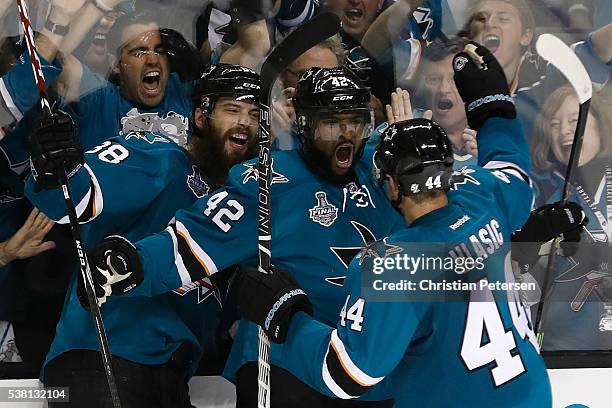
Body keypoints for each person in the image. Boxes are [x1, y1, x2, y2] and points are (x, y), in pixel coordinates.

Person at [238, 42, 554, 407]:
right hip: (530, 395)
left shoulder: (393, 264)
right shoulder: (482, 199)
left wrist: (286, 318)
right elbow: (513, 173)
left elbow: (350, 375)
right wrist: (493, 106)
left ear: (389, 183)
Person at [83, 67, 405, 406]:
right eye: (331, 123)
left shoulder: (386, 172)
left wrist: (418, 163)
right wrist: (133, 263)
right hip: (286, 365)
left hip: (374, 370)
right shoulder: (268, 179)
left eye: (356, 122)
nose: (346, 135)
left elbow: (439, 253)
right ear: (305, 125)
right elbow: (192, 241)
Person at [24, 63, 260, 407]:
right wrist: (53, 164)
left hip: (172, 377)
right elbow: (72, 196)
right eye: (232, 109)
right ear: (199, 117)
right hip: (103, 355)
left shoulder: (248, 205)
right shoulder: (158, 155)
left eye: (255, 115)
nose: (244, 123)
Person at [527, 86, 612, 351]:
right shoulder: (543, 196)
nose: (565, 130)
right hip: (566, 346)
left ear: (601, 126)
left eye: (575, 121)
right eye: (555, 125)